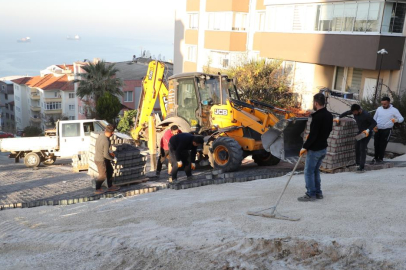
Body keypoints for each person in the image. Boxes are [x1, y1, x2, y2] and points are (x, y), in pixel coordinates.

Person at [298, 93, 333, 202]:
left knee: (309, 172)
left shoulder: (317, 116)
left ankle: (310, 194)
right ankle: (318, 192)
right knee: (315, 171)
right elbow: (329, 130)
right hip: (323, 147)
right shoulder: (329, 115)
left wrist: (305, 146)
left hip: (315, 149)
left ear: (316, 103)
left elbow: (314, 135)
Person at [334, 104, 377, 173]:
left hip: (366, 133)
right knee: (357, 146)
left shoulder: (366, 115)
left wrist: (368, 130)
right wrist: (338, 117)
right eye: (353, 112)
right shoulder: (354, 111)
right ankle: (357, 163)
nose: (353, 113)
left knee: (363, 148)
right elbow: (346, 113)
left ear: (359, 110)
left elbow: (374, 123)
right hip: (360, 132)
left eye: (354, 112)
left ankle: (362, 166)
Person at [372, 97, 404, 164]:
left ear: (389, 103)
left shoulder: (394, 110)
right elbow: (374, 118)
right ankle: (375, 158)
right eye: (382, 104)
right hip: (378, 129)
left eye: (385, 104)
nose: (383, 105)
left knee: (383, 144)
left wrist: (396, 120)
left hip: (387, 129)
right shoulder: (379, 109)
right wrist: (374, 126)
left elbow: (401, 118)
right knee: (376, 144)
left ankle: (380, 158)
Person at [94, 124, 120, 194]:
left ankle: (110, 186)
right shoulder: (106, 141)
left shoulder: (101, 135)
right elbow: (105, 155)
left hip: (101, 157)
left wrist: (110, 152)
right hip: (100, 160)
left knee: (110, 170)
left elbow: (105, 151)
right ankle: (97, 188)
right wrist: (113, 158)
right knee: (103, 175)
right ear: (112, 132)